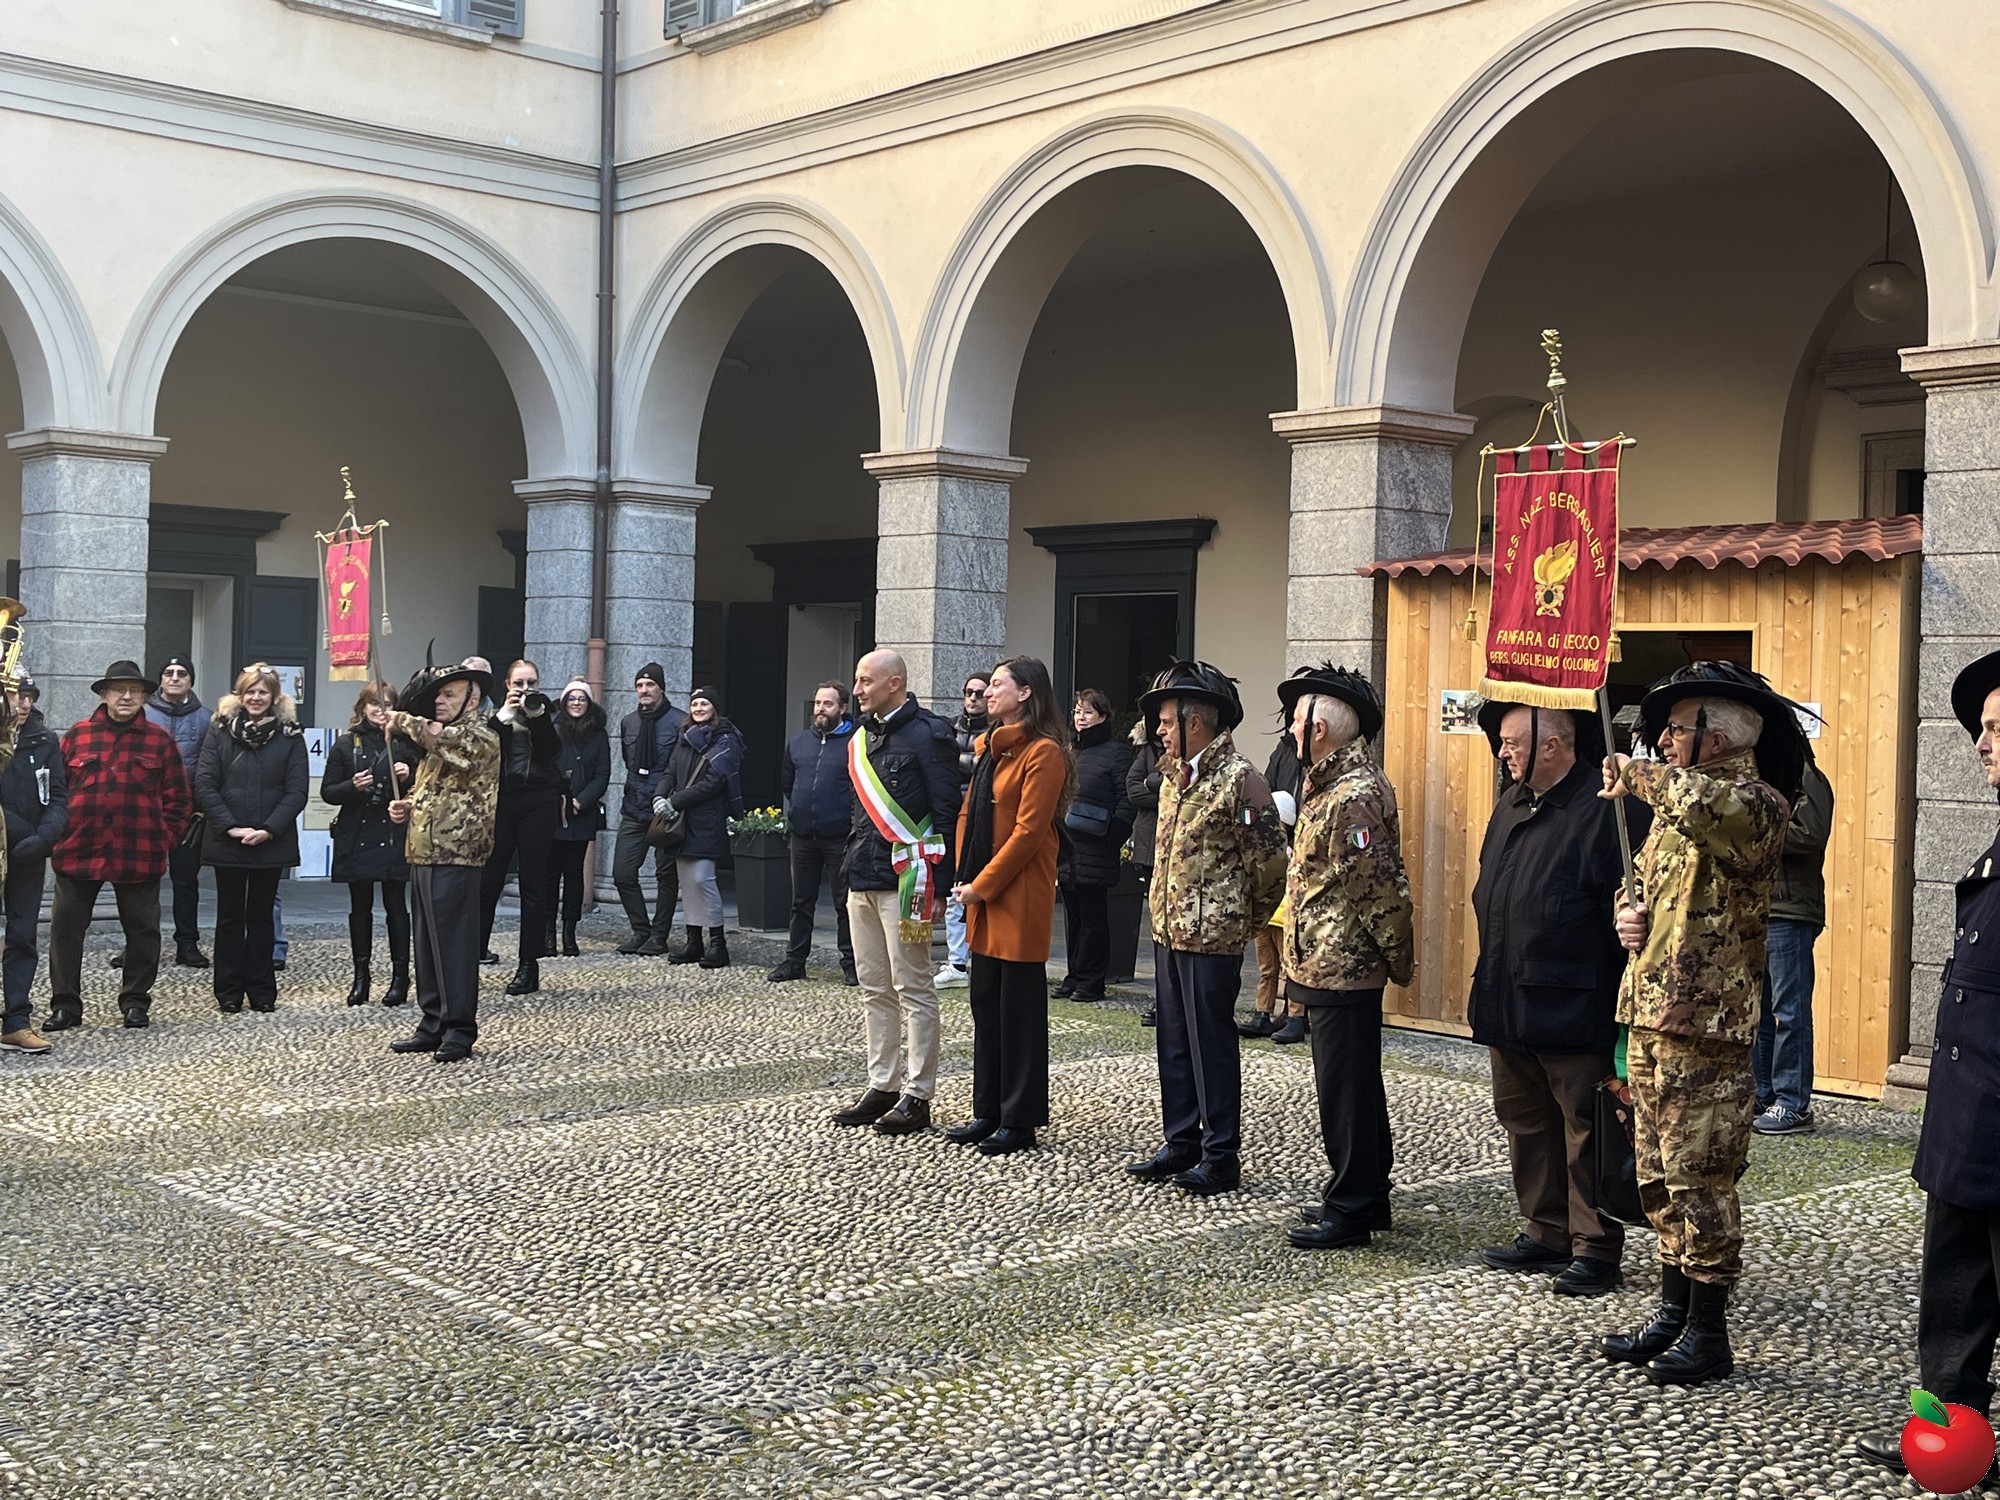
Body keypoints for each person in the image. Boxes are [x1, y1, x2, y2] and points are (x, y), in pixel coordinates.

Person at [1597, 661, 1801, 1387]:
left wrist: (1635, 772)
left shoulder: (1756, 803)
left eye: (1677, 728)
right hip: (1651, 1013)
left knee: (1701, 1175)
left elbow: (1704, 808)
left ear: (1718, 738)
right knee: (1656, 1173)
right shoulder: (1676, 808)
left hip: (1707, 1026)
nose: (1664, 740)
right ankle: (1673, 1312)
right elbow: (1642, 881)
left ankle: (1709, 1333)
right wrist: (1626, 913)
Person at [1856, 647, 2000, 1479]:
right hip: (1968, 1121)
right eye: (1984, 729)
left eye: (1998, 729)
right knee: (1953, 1300)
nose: (1981, 743)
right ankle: (1945, 1440)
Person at [1469, 699, 1649, 1295]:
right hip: (1507, 994)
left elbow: (1630, 907)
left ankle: (1594, 1244)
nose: (1502, 751)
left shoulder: (1608, 811)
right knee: (1524, 1120)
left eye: (1512, 741)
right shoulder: (1512, 802)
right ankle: (1546, 1228)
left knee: (1584, 1129)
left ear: (1552, 746)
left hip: (1573, 1001)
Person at [1125, 660, 1286, 1197]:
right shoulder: (1174, 778)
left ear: (1196, 722)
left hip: (1212, 939)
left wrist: (1238, 923)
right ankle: (1181, 1142)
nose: (1159, 731)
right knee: (1173, 1042)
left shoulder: (1241, 780)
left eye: (1166, 720)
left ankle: (1220, 1155)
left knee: (1210, 1046)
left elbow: (1270, 867)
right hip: (1169, 933)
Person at [1275, 664, 1413, 1250]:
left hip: (1344, 966)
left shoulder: (1353, 793)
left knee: (1346, 1091)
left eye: (1296, 723)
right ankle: (1365, 1194)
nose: (1289, 732)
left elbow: (1379, 890)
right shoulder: (1329, 784)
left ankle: (1352, 1207)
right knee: (1353, 1085)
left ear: (1320, 731)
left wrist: (1397, 959)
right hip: (1328, 960)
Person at [832, 649, 962, 1136]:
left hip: (908, 884)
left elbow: (946, 811)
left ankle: (918, 1093)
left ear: (895, 683)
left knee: (914, 988)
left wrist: (940, 886)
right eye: (856, 680)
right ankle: (882, 1084)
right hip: (862, 877)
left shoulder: (930, 735)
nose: (857, 690)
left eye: (865, 681)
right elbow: (858, 812)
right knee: (874, 988)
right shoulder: (861, 737)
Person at [947, 657, 1072, 1156]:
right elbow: (968, 815)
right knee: (986, 1004)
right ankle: (988, 1110)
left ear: (1025, 693)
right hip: (983, 890)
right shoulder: (991, 749)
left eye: (998, 684)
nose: (988, 691)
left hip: (1016, 893)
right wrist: (965, 877)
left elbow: (1028, 833)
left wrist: (981, 885)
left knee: (1018, 1011)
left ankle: (1019, 1119)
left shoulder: (1044, 753)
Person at [46, 660, 191, 1031]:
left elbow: (179, 799)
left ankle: (136, 1001)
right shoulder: (77, 736)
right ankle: (65, 1005)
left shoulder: (160, 741)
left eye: (134, 690)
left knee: (143, 932)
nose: (126, 696)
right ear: (104, 694)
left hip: (139, 852)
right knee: (65, 931)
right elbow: (56, 792)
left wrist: (164, 839)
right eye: (118, 689)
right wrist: (56, 835)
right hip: (79, 850)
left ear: (143, 696)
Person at [387, 651, 500, 1064]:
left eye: (449, 695)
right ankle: (432, 1022)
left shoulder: (481, 736)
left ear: (472, 699)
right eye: (438, 696)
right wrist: (407, 804)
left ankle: (458, 1028)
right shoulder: (440, 741)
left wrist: (400, 719)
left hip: (457, 854)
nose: (439, 701)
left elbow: (448, 745)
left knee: (453, 945)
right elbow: (431, 788)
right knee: (427, 945)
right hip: (423, 852)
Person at [195, 663, 309, 1015]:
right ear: (240, 695)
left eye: (263, 692)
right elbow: (205, 783)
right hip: (228, 838)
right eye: (250, 691)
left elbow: (297, 790)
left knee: (261, 917)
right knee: (230, 917)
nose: (256, 698)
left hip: (270, 839)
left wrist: (269, 829)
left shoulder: (290, 735)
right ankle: (228, 990)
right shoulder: (219, 731)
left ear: (274, 697)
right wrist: (230, 826)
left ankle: (261, 989)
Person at [322, 680, 420, 1006]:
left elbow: (425, 787)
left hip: (393, 831)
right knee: (360, 909)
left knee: (396, 907)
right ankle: (361, 977)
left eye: (388, 703)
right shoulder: (346, 744)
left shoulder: (407, 743)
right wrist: (352, 786)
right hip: (359, 833)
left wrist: (410, 775)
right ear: (363, 707)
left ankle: (400, 977)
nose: (381, 710)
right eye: (375, 703)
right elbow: (328, 792)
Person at [1753, 753, 1832, 1135]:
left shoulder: (1806, 776)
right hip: (1756, 911)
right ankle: (1763, 1094)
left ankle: (1792, 1103)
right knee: (1757, 1011)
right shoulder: (1759, 773)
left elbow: (1811, 833)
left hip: (1790, 912)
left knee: (1789, 1011)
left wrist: (1755, 830)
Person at [478, 658, 562, 996]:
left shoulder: (549, 713)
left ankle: (529, 963)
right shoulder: (495, 717)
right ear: (508, 686)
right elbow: (486, 751)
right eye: (519, 684)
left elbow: (551, 752)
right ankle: (473, 952)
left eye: (531, 683)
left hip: (539, 801)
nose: (526, 689)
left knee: (533, 882)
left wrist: (537, 716)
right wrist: (505, 715)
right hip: (503, 801)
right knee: (489, 879)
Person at [770, 681, 857, 985]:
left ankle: (851, 963)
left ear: (842, 708)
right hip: (803, 836)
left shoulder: (855, 743)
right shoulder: (798, 743)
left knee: (844, 903)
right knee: (800, 902)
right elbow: (788, 783)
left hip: (839, 837)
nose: (821, 709)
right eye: (818, 703)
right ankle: (795, 961)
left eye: (828, 704)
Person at [1054, 688, 1133, 1002]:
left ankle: (1091, 981)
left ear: (1103, 716)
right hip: (1069, 847)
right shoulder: (1070, 750)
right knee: (1073, 918)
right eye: (1077, 712)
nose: (1081, 718)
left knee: (1093, 919)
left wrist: (1113, 836)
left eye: (1088, 712)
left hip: (1098, 846)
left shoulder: (1117, 753)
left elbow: (1126, 800)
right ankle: (1074, 975)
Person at [660, 685, 745, 969]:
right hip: (682, 820)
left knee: (702, 879)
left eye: (704, 704)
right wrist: (659, 796)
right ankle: (693, 941)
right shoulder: (684, 737)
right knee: (687, 882)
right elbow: (670, 771)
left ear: (715, 708)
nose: (698, 709)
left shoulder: (726, 740)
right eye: (695, 704)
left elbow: (713, 783)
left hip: (707, 819)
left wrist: (674, 801)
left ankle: (718, 944)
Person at [1, 674, 62, 1054]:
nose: (23, 704)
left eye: (29, 697)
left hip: (28, 853)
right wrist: (23, 832)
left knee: (23, 936)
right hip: (11, 841)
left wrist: (45, 838)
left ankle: (17, 1021)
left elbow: (58, 795)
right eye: (16, 696)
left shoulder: (44, 739)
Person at [1242, 701, 1307, 1044]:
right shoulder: (1283, 750)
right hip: (1267, 911)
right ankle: (1264, 1011)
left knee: (1290, 963)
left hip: (1288, 909)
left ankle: (1294, 1014)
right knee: (1268, 965)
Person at [613, 662, 688, 956]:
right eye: (639, 686)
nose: (644, 690)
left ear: (661, 688)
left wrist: (672, 801)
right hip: (634, 807)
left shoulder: (680, 722)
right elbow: (628, 761)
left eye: (650, 685)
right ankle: (640, 930)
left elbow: (681, 768)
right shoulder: (628, 722)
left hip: (665, 810)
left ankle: (659, 936)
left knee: (665, 876)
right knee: (622, 872)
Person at [144, 656, 212, 969]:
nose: (174, 678)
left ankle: (188, 944)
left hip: (188, 813)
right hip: (146, 812)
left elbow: (211, 766)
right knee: (141, 882)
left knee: (186, 882)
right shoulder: (143, 714)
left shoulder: (207, 719)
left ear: (191, 680)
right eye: (168, 672)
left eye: (181, 673)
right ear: (160, 679)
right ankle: (138, 946)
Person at [934, 672, 990, 992]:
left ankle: (977, 959)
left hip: (981, 818)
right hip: (950, 817)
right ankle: (957, 961)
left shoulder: (995, 732)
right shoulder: (949, 729)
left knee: (977, 887)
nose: (973, 698)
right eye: (969, 692)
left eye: (980, 693)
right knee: (954, 888)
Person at [547, 679, 610, 958]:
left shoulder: (598, 734)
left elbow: (602, 775)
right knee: (549, 875)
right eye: (571, 698)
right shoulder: (553, 729)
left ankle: (569, 931)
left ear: (588, 703)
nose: (576, 703)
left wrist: (581, 801)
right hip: (552, 812)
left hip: (581, 814)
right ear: (564, 702)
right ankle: (548, 932)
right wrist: (557, 799)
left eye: (581, 699)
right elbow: (545, 766)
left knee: (574, 875)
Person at [1125, 720, 1163, 1028]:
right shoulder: (1147, 751)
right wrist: (1160, 790)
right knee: (1157, 924)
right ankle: (1162, 996)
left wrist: (1155, 783)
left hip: (1174, 847)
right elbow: (1133, 789)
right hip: (1150, 845)